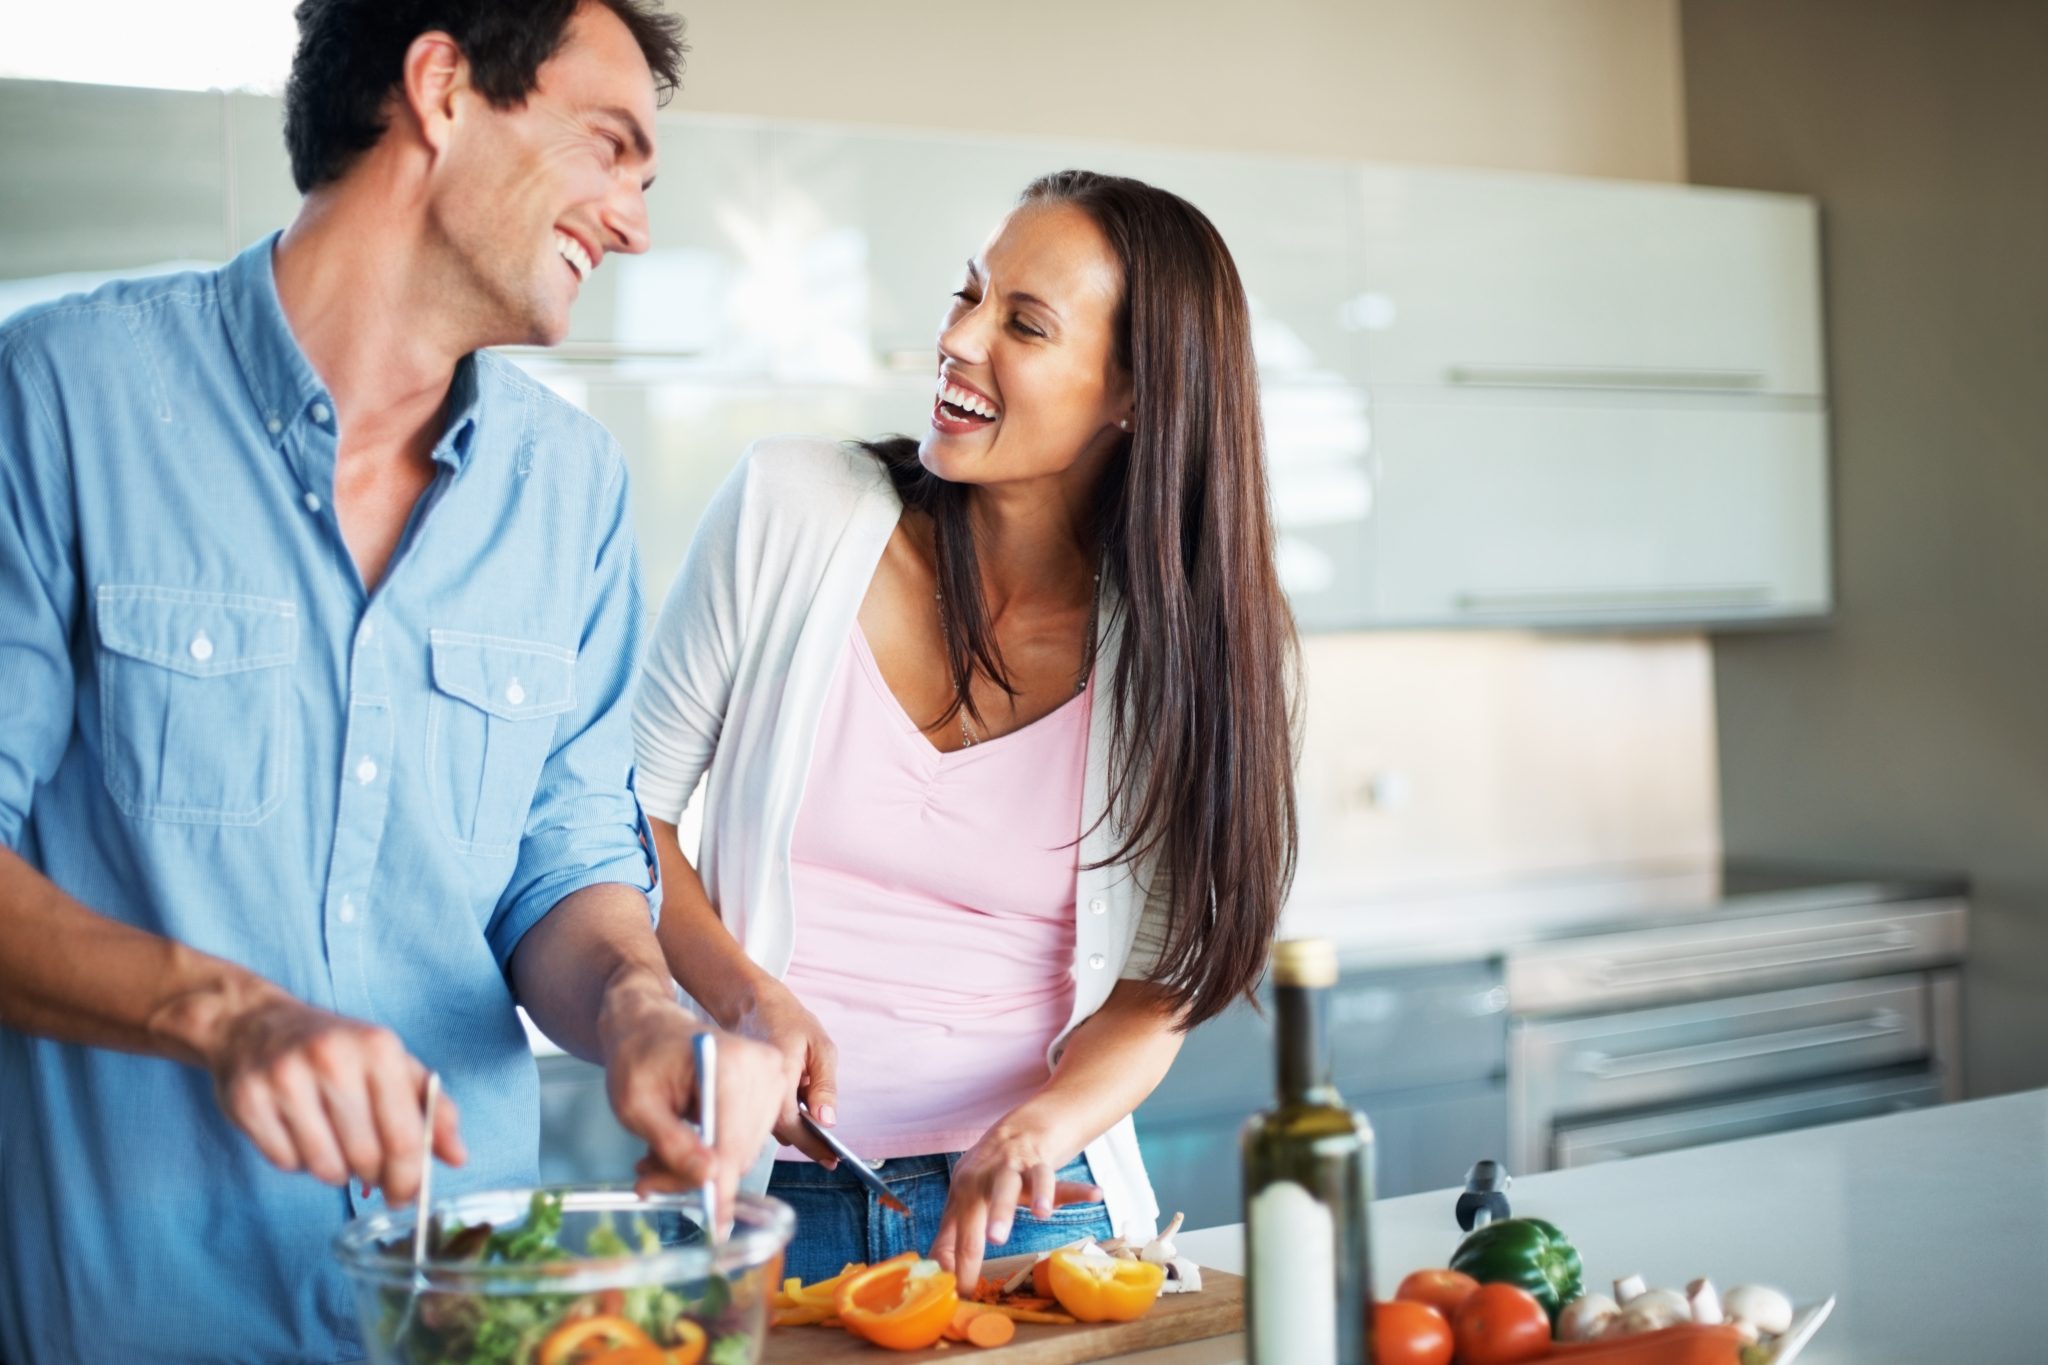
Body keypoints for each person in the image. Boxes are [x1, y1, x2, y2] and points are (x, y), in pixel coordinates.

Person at [0, 3, 784, 1361]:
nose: (634, 222)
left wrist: (641, 1007)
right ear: (441, 87)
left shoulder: (571, 491)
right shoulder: (61, 398)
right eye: (611, 149)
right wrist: (229, 1015)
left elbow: (563, 873)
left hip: (462, 1328)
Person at [632, 169, 1300, 1290]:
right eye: (968, 294)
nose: (957, 337)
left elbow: (1161, 983)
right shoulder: (789, 509)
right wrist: (747, 1000)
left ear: (1133, 393)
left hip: (1029, 1217)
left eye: (1022, 324)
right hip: (751, 1195)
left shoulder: (1196, 647)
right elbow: (621, 818)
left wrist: (1038, 1129)